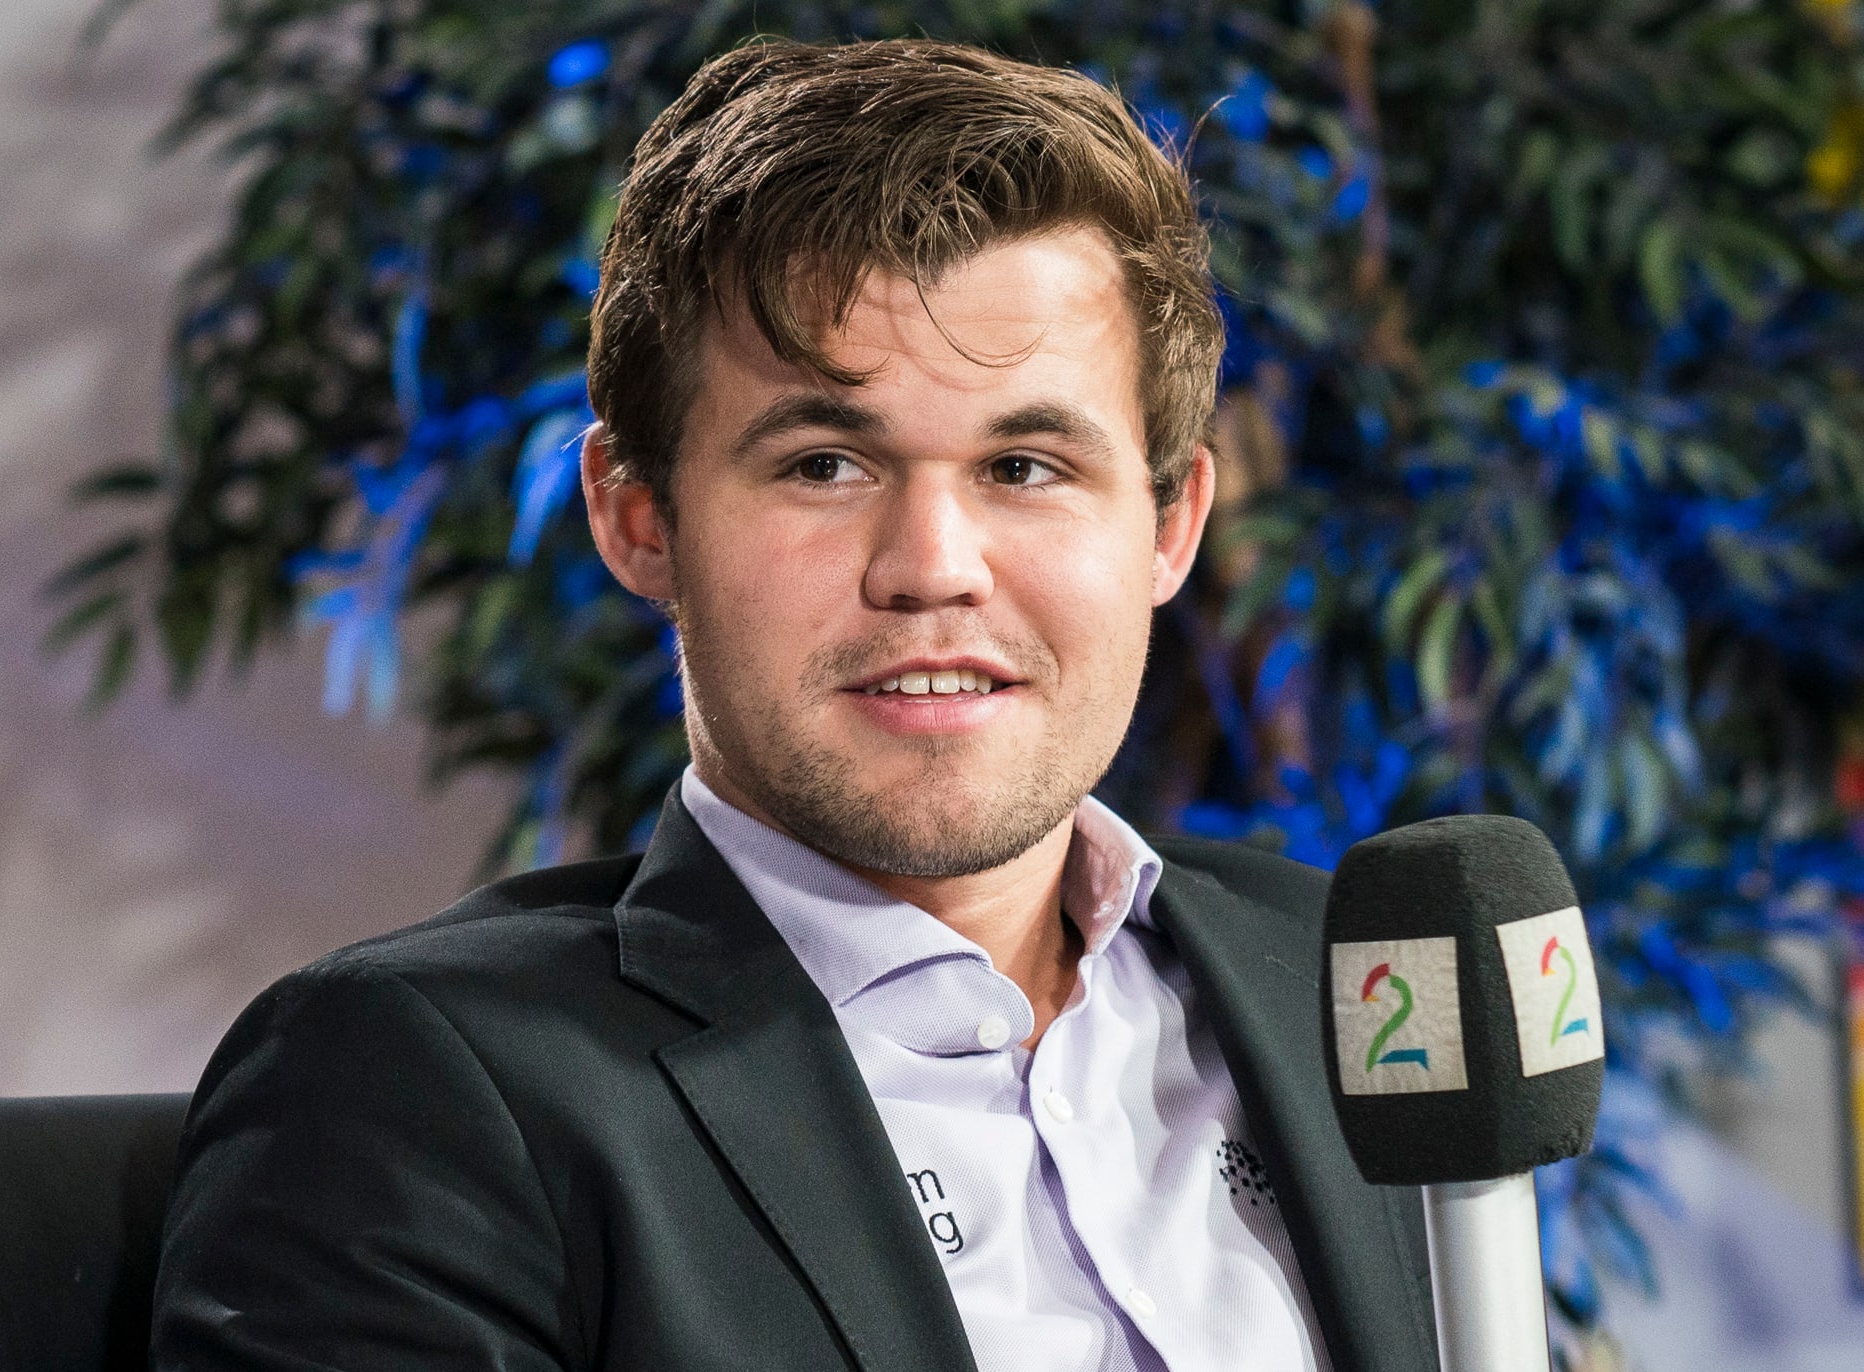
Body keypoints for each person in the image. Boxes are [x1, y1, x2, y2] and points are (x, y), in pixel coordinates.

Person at [152, 38, 1438, 1372]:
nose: (933, 566)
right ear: (637, 516)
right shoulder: (419, 1087)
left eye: (1024, 465)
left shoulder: (1348, 982)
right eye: (825, 464)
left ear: (1170, 525)